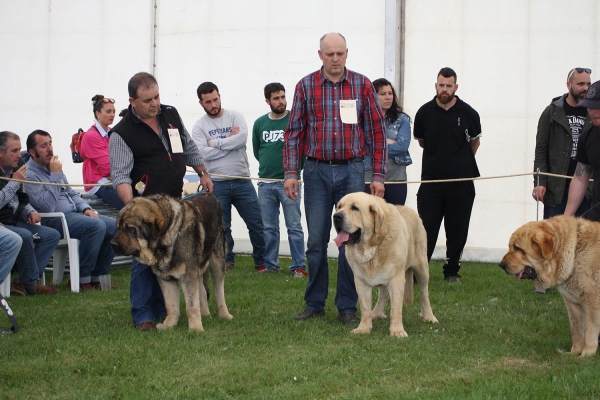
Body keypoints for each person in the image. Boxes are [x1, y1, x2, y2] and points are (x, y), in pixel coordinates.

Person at [283, 32, 387, 324]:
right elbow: (293, 134)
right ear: (320, 55)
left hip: (352, 171)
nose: (335, 59)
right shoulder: (305, 86)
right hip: (315, 171)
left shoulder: (362, 85)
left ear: (347, 53)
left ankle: (347, 306)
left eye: (340, 53)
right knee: (316, 241)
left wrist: (377, 175)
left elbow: (377, 133)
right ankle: (314, 303)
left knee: (350, 240)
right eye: (329, 54)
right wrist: (292, 172)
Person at [109, 72, 213, 331]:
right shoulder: (121, 133)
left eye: (156, 96)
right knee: (143, 258)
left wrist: (202, 172)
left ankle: (164, 311)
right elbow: (120, 176)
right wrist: (133, 209)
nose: (154, 103)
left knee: (171, 257)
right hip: (145, 210)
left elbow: (187, 145)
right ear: (132, 101)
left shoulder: (170, 114)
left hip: (175, 205)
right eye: (147, 100)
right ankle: (142, 315)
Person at [23, 130, 117, 292]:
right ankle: (81, 279)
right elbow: (47, 206)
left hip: (75, 214)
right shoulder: (29, 174)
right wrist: (54, 174)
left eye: (50, 143)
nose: (50, 149)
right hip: (53, 220)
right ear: (32, 152)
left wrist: (86, 208)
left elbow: (71, 193)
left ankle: (97, 277)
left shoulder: (54, 167)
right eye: (43, 146)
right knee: (96, 226)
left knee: (114, 226)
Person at [413, 67, 481, 284]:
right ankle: (419, 271)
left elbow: (475, 142)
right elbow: (422, 142)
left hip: (461, 183)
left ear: (456, 87)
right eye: (441, 85)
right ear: (436, 86)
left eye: (449, 86)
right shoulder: (424, 113)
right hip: (431, 183)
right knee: (426, 228)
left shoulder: (469, 113)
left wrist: (459, 163)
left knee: (458, 227)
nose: (444, 89)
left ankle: (452, 271)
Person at [192, 82, 266, 272]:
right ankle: (226, 260)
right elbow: (201, 153)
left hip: (242, 181)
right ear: (201, 103)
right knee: (222, 227)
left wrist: (214, 143)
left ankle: (262, 261)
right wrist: (228, 143)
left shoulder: (235, 116)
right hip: (217, 183)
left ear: (220, 96)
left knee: (257, 223)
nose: (213, 104)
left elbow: (240, 139)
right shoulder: (199, 126)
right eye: (208, 102)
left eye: (215, 99)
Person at [252, 83, 307, 276]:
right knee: (269, 227)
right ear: (267, 101)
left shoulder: (295, 119)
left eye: (283, 97)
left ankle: (299, 265)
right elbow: (257, 150)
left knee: (294, 226)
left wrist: (294, 173)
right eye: (276, 98)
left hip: (290, 182)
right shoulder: (260, 123)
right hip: (265, 183)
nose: (281, 101)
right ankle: (270, 265)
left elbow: (303, 150)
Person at [0, 131, 60, 296]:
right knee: (25, 235)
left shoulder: (16, 168)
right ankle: (30, 284)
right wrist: (14, 183)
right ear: (0, 152)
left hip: (13, 221)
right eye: (14, 151)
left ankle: (21, 282)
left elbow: (20, 199)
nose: (19, 155)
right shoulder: (17, 174)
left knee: (51, 235)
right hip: (3, 224)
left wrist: (29, 211)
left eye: (19, 150)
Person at [533, 68, 593, 219]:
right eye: (580, 84)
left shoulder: (594, 113)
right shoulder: (552, 112)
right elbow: (541, 149)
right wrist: (539, 182)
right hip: (556, 188)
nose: (585, 88)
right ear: (568, 84)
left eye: (588, 84)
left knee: (584, 238)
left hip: (588, 190)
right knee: (554, 237)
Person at [364, 78, 412, 205]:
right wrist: (387, 142)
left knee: (395, 219)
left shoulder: (402, 119)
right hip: (369, 177)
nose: (388, 97)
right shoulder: (364, 120)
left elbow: (402, 146)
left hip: (396, 178)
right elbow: (363, 146)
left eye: (390, 93)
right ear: (373, 96)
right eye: (383, 94)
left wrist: (377, 146)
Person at [80, 95, 125, 210]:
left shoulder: (111, 132)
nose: (112, 115)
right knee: (130, 206)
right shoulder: (91, 136)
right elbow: (108, 166)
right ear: (97, 113)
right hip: (98, 184)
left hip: (111, 181)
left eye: (114, 111)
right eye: (108, 111)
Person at [565, 79, 600, 221]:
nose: (592, 111)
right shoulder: (587, 136)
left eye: (597, 107)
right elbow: (580, 178)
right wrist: (566, 218)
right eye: (589, 107)